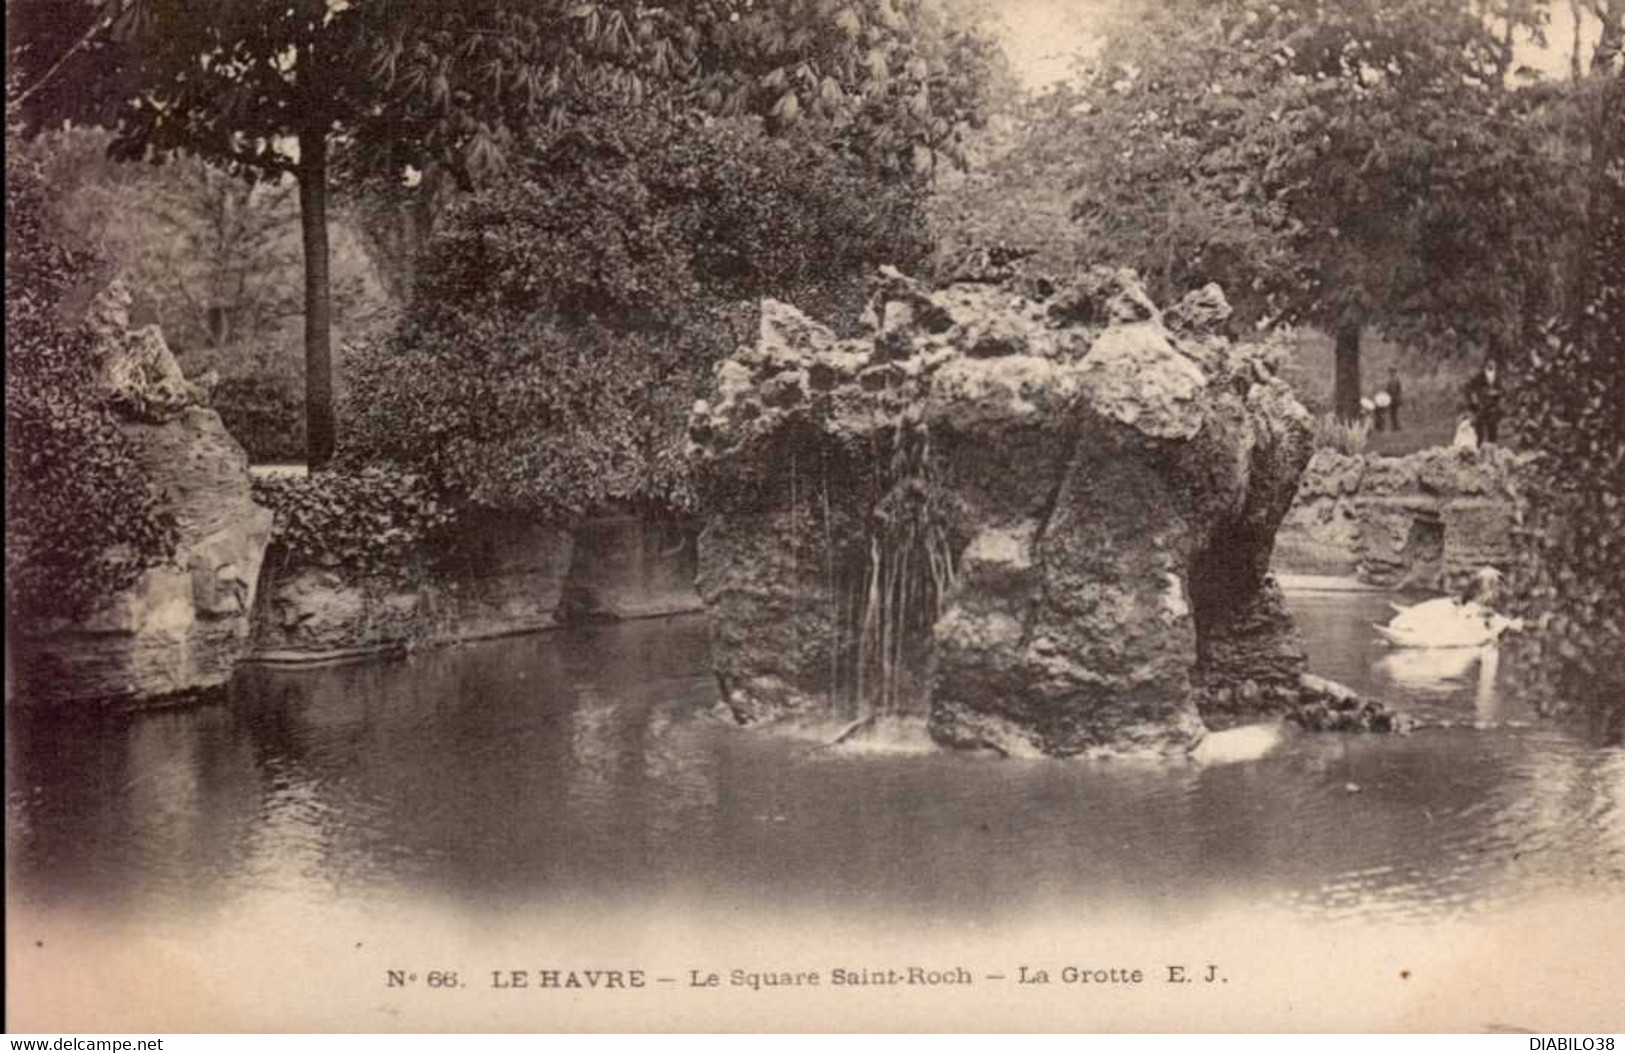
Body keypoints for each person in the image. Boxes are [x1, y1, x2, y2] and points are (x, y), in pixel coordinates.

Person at [1463, 359, 1503, 446]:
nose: (1491, 365)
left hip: (1493, 407)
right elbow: (1469, 388)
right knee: (1479, 430)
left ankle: (1492, 448)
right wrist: (1474, 399)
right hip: (1481, 406)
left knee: (1493, 429)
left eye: (1493, 363)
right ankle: (1479, 448)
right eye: (1489, 363)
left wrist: (1497, 393)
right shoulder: (1479, 376)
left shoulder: (1498, 377)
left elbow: (1502, 390)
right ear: (1485, 364)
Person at [1384, 366, 1403, 431]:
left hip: (1395, 398)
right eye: (1390, 372)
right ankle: (1395, 426)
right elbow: (1387, 390)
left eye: (1392, 372)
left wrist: (1399, 398)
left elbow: (1399, 390)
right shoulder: (1389, 381)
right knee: (1392, 413)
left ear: (1395, 372)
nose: (1391, 373)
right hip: (1391, 398)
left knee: (1394, 413)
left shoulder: (1397, 380)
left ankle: (1396, 426)